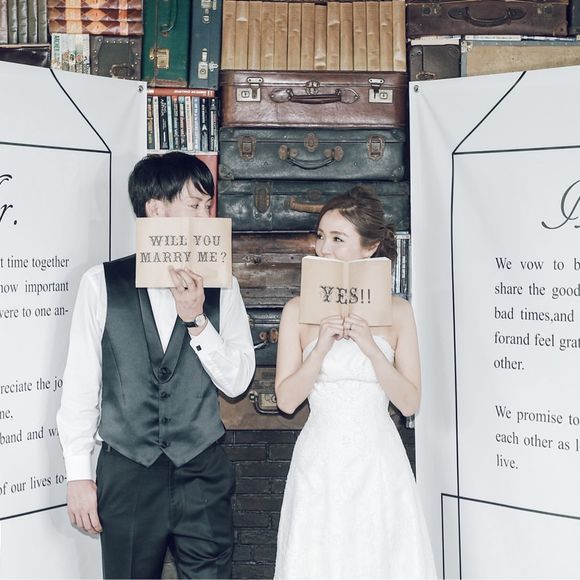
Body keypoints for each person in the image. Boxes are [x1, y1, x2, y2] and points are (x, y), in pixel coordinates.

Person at [57, 152, 256, 579]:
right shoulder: (101, 283)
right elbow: (80, 386)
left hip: (202, 473)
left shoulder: (225, 286)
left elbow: (238, 381)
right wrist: (78, 475)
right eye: (195, 205)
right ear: (156, 210)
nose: (206, 217)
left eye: (209, 206)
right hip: (127, 473)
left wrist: (197, 320)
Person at [274, 186, 437, 579]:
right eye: (320, 236)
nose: (323, 248)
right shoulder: (296, 310)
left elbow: (409, 402)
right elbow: (287, 401)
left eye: (338, 239)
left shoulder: (399, 312)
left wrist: (371, 348)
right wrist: (319, 350)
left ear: (370, 248)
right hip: (320, 462)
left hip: (378, 461)